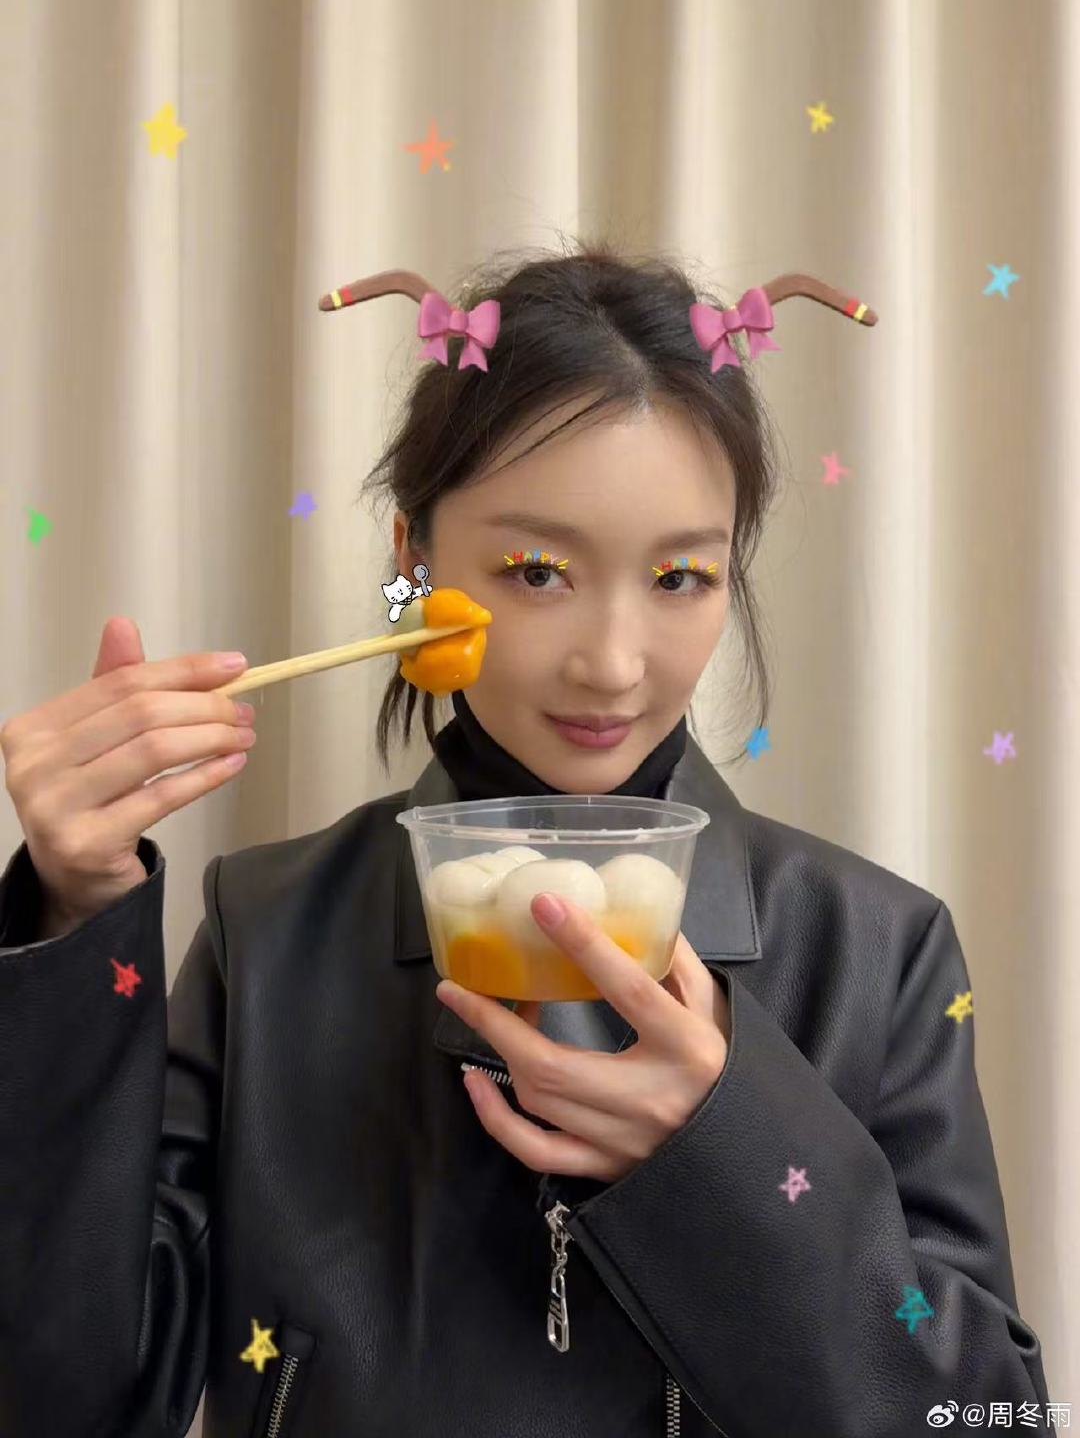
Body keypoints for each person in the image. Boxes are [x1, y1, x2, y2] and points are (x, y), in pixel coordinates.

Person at [0, 242, 1052, 1438]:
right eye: (538, 570)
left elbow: (984, 1415)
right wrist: (73, 917)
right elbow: (70, 1401)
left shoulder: (874, 949)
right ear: (413, 564)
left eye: (681, 577)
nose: (612, 663)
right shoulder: (269, 926)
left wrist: (729, 1151)